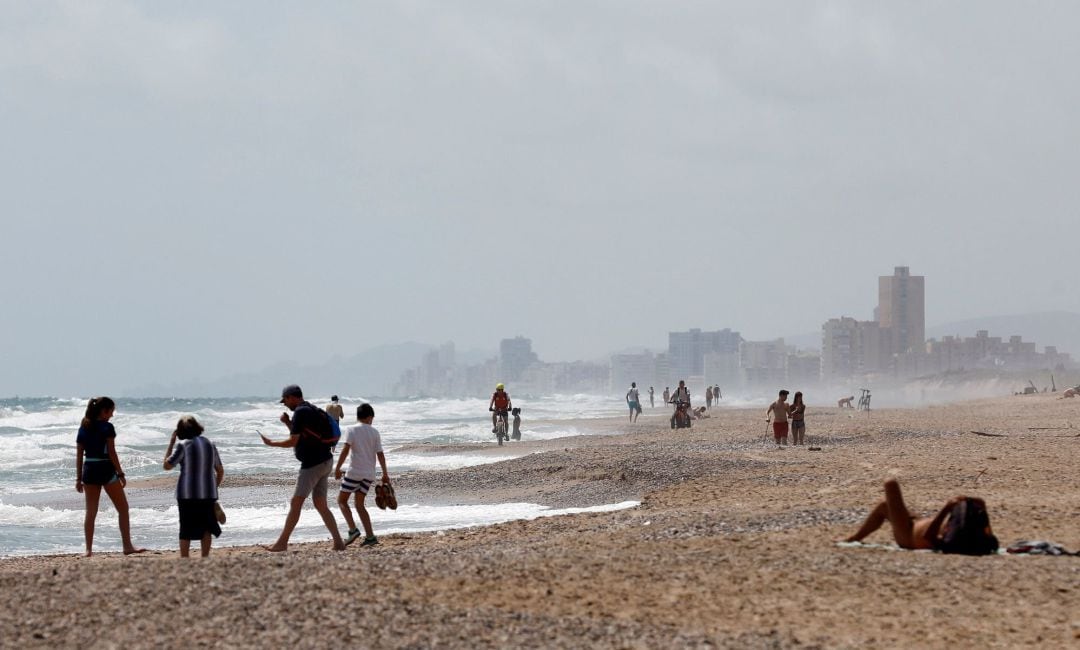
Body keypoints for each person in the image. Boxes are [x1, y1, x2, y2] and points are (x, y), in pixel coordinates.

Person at [260, 384, 346, 552]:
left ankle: (282, 543)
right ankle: (339, 543)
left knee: (296, 502)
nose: (285, 404)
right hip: (326, 461)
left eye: (285, 400)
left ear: (292, 397)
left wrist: (271, 443)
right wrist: (287, 423)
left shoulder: (300, 412)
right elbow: (303, 435)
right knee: (321, 504)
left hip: (312, 465)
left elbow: (293, 441)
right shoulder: (310, 409)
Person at [843, 479, 998, 554]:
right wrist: (981, 506)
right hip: (916, 523)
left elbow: (928, 536)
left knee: (890, 485)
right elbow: (988, 530)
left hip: (908, 536)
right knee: (884, 506)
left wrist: (946, 508)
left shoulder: (953, 540)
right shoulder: (982, 536)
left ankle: (854, 538)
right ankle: (855, 537)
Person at [75, 397, 146, 557]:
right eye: (111, 411)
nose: (112, 415)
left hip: (89, 470)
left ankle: (88, 549)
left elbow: (79, 455)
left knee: (91, 512)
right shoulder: (107, 427)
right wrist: (120, 473)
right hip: (105, 469)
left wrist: (78, 478)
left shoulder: (83, 427)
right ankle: (127, 546)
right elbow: (112, 453)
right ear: (104, 411)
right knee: (123, 508)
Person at [163, 415, 224, 557]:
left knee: (186, 528)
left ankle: (185, 559)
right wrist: (214, 487)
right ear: (198, 427)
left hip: (187, 494)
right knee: (207, 527)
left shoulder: (183, 445)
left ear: (180, 432)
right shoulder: (210, 444)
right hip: (208, 494)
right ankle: (205, 557)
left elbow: (167, 466)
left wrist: (171, 443)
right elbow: (220, 470)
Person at [334, 403, 388, 548]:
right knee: (360, 505)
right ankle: (370, 536)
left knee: (342, 501)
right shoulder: (374, 432)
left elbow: (346, 450)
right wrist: (385, 474)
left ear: (358, 416)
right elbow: (380, 455)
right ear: (370, 417)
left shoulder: (351, 429)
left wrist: (338, 468)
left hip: (354, 472)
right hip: (368, 475)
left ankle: (353, 530)